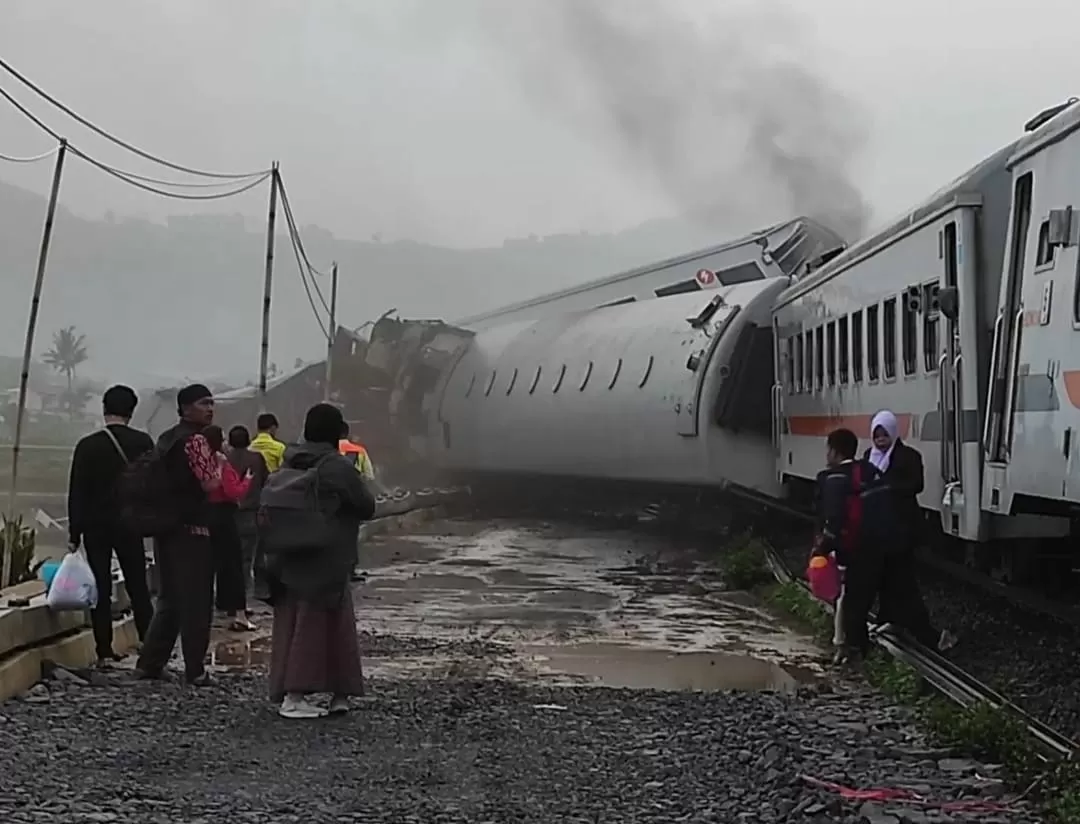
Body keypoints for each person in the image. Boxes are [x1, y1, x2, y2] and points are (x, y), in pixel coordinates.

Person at [266, 402, 375, 719]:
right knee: (328, 626)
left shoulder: (290, 458)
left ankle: (299, 692)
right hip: (328, 555)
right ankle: (303, 697)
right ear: (336, 432)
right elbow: (366, 505)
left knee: (293, 624)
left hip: (288, 553)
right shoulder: (336, 466)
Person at [135, 384, 220, 686]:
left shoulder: (166, 439)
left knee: (169, 600)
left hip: (166, 529)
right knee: (196, 601)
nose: (210, 408)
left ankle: (150, 664)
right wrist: (222, 467)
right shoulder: (195, 441)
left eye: (211, 403)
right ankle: (195, 670)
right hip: (193, 531)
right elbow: (211, 485)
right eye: (203, 403)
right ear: (185, 408)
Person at [66, 385, 155, 667]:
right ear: (132, 409)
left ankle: (104, 651)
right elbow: (153, 485)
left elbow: (77, 491)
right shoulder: (143, 442)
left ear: (104, 408)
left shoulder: (87, 445)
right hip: (130, 524)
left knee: (100, 588)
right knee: (138, 586)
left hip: (95, 526)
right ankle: (151, 648)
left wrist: (74, 533)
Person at [865, 410, 957, 653]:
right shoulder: (868, 457)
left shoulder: (909, 456)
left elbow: (916, 484)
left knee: (902, 579)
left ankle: (927, 634)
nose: (881, 439)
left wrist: (888, 487)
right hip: (878, 529)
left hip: (901, 528)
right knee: (887, 576)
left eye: (885, 434)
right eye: (877, 434)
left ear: (894, 433)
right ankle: (891, 620)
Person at [813, 427, 897, 665]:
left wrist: (821, 546)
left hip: (847, 549)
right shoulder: (871, 470)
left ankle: (848, 649)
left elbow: (833, 518)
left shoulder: (832, 479)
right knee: (861, 598)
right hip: (875, 545)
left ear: (834, 451)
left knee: (844, 598)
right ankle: (857, 648)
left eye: (828, 450)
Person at [203, 425, 255, 631]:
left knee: (208, 566)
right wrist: (247, 481)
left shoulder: (198, 463)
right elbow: (233, 491)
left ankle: (208, 611)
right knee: (234, 565)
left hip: (204, 516)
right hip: (224, 516)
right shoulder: (221, 462)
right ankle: (240, 614)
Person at [226, 425, 269, 607]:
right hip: (253, 511)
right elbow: (266, 480)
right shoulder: (257, 458)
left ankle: (238, 593)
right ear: (249, 440)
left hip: (230, 513)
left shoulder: (225, 459)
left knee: (235, 555)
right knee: (257, 553)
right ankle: (257, 590)